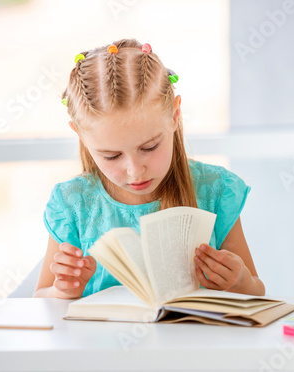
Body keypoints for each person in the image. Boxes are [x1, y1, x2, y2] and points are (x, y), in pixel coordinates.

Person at [34, 39, 265, 300]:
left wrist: (240, 282)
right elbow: (41, 297)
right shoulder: (73, 204)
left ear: (175, 114)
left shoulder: (216, 191)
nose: (134, 170)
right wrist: (63, 290)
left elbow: (257, 293)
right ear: (80, 135)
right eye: (111, 155)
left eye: (150, 147)